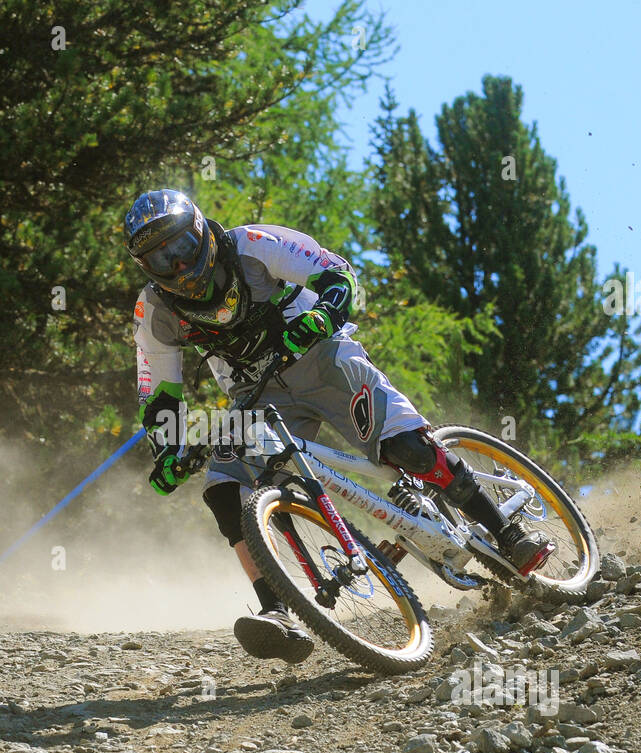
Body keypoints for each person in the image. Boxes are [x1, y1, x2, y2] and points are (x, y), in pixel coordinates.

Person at [124, 188, 553, 663]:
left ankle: (506, 532)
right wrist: (168, 450)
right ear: (147, 269)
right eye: (161, 261)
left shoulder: (253, 245)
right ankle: (278, 613)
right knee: (225, 488)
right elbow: (160, 393)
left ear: (202, 233)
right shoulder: (155, 311)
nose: (179, 267)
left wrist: (322, 313)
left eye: (181, 248)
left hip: (322, 357)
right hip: (256, 393)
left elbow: (338, 273)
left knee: (404, 448)